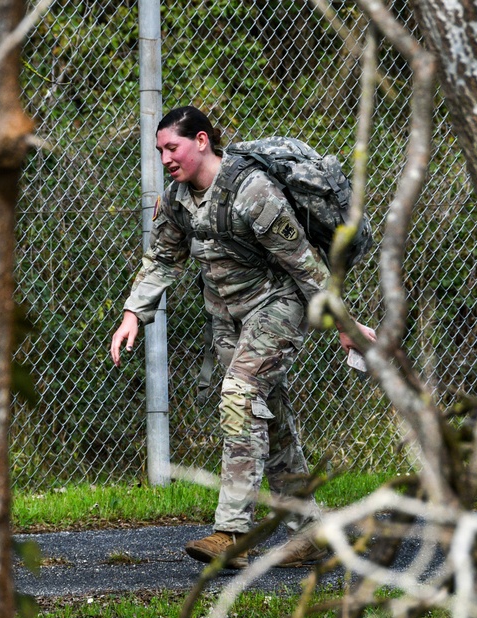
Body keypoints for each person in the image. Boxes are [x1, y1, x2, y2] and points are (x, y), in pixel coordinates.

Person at [110, 106, 376, 569]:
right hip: (226, 317)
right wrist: (134, 312)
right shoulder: (177, 198)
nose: (166, 159)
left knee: (239, 396)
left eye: (172, 148)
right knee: (264, 418)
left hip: (278, 305)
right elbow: (164, 258)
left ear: (200, 141)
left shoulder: (252, 191)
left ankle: (232, 531)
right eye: (160, 152)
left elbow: (303, 265)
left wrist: (346, 328)